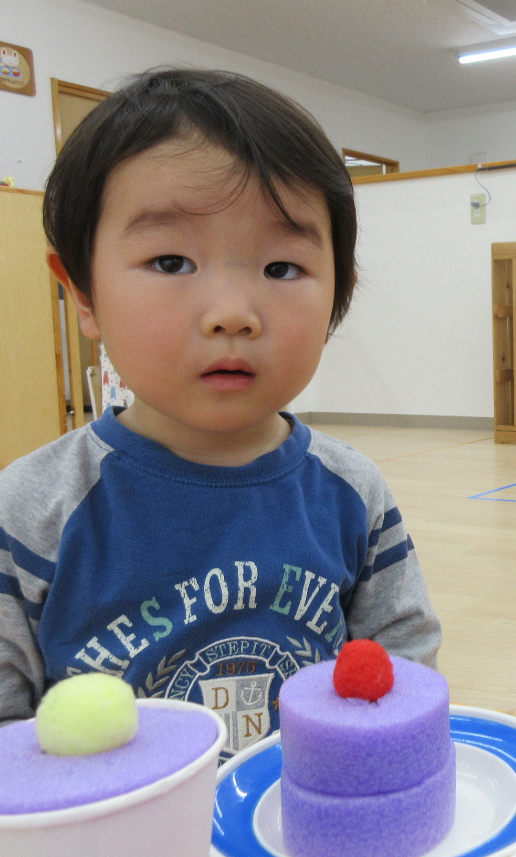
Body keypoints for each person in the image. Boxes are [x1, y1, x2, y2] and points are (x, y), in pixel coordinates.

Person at [0, 69, 441, 758]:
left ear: (336, 296)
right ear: (82, 294)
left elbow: (402, 668)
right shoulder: (30, 510)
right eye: (172, 260)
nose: (232, 313)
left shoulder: (351, 493)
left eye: (281, 268)